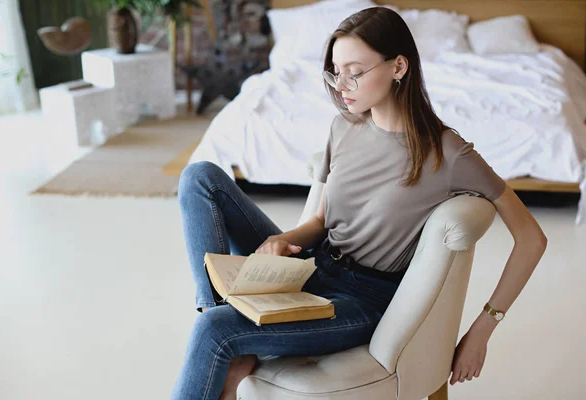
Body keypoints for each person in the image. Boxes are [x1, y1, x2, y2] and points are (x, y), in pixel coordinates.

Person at [170, 7, 547, 400]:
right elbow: (323, 220)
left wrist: (483, 329)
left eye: (355, 71)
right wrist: (286, 241)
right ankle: (227, 322)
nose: (341, 85)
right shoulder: (344, 126)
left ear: (398, 66)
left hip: (359, 302)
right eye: (335, 70)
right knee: (200, 178)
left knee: (215, 331)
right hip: (309, 267)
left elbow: (532, 239)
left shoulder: (447, 153)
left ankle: (227, 334)